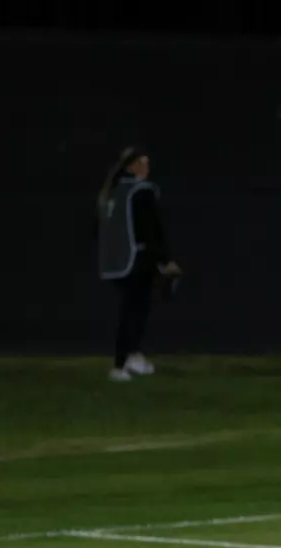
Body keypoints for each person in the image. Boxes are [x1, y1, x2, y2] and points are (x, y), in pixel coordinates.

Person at [96, 146, 181, 383]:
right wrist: (166, 260)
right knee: (133, 313)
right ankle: (119, 365)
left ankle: (132, 356)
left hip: (115, 263)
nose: (146, 167)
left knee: (135, 310)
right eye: (142, 163)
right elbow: (152, 228)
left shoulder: (112, 192)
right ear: (132, 167)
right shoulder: (141, 191)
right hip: (137, 260)